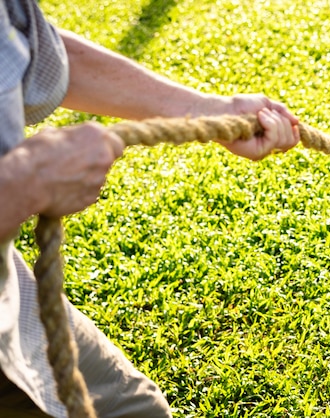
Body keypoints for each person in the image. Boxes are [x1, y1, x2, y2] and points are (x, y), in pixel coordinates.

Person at [0, 0, 300, 416]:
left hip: (9, 294)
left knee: (135, 410)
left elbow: (31, 47)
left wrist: (215, 110)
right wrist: (21, 183)